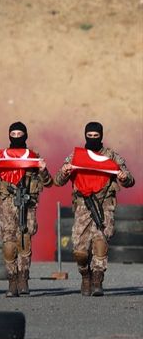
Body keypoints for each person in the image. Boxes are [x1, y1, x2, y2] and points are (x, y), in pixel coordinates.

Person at [54, 122, 135, 296]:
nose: (92, 139)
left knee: (100, 242)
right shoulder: (76, 156)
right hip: (83, 206)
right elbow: (58, 180)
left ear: (101, 136)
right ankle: (86, 275)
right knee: (80, 250)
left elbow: (129, 179)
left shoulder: (111, 156)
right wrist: (65, 171)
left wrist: (124, 177)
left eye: (95, 136)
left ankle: (97, 279)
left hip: (104, 205)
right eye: (89, 136)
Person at [0, 122, 53, 297]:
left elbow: (49, 182)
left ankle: (23, 279)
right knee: (9, 245)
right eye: (13, 134)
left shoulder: (33, 157)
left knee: (24, 242)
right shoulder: (1, 158)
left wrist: (43, 169)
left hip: (27, 206)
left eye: (20, 134)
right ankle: (12, 281)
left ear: (25, 135)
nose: (17, 137)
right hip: (7, 207)